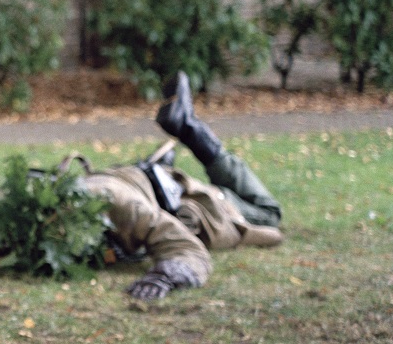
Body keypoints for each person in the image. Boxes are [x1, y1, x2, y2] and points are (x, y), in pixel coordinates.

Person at [86, 72, 284, 303]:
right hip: (135, 183)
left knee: (269, 214)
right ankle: (161, 163)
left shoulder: (118, 204)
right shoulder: (65, 204)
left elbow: (186, 247)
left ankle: (191, 129)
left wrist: (168, 273)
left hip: (184, 202)